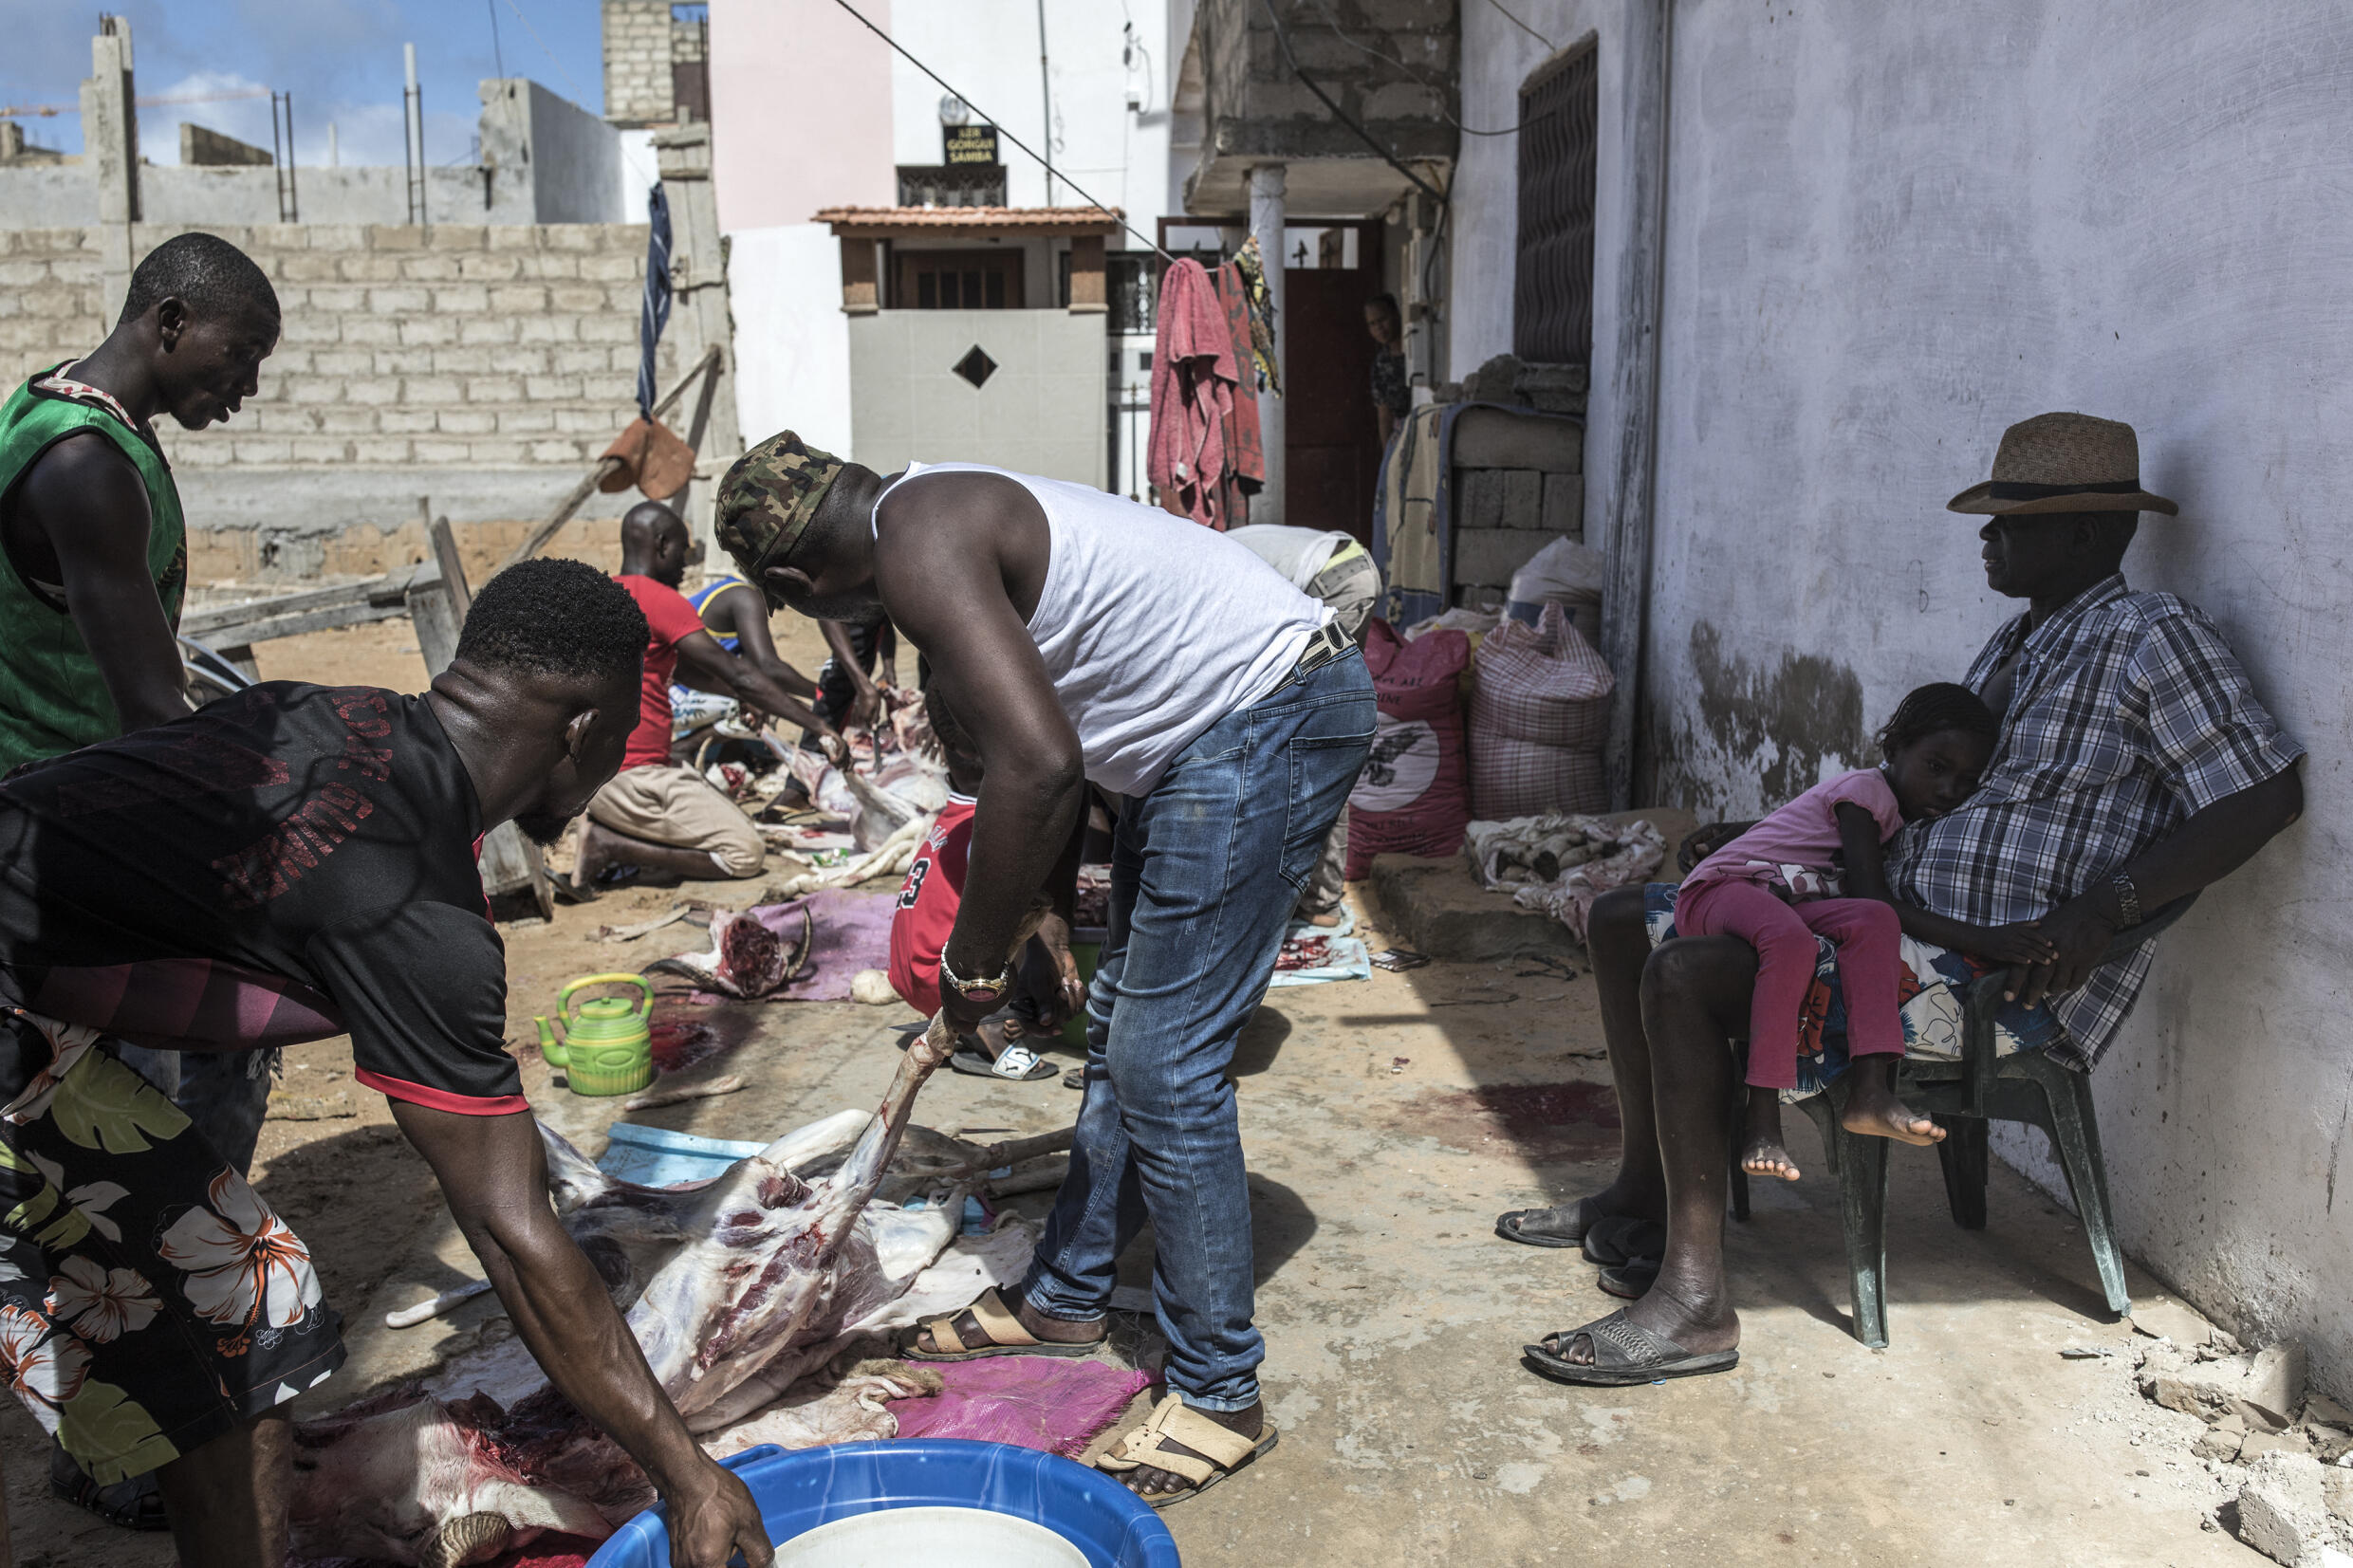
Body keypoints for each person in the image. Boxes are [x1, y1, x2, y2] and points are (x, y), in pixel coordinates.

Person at [1504, 412, 2305, 1386]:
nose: (1986, 537)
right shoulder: (2017, 644)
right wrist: (1768, 839)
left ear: (2088, 535)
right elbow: (1909, 795)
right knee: (1625, 915)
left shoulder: (2149, 637)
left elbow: (2265, 791)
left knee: (1686, 972)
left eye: (2010, 521)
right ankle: (1639, 1195)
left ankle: (1694, 1302)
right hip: (1885, 913)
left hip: (1978, 967)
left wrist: (2104, 909)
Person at [0, 559, 770, 1567]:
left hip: (33, 1008)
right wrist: (687, 1473)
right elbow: (508, 1230)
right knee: (244, 1314)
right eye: (619, 736)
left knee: (229, 1312)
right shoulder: (417, 909)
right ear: (578, 729)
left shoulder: (330, 714)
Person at [714, 432, 1374, 1504]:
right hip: (1211, 740)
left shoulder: (917, 546)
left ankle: (1217, 1393)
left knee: (1166, 1065)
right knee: (1123, 1030)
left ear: (793, 582)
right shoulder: (925, 509)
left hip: (1265, 722)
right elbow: (1048, 746)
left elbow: (1039, 764)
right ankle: (1066, 1296)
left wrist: (970, 967)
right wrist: (1043, 918)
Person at [0, 230, 286, 1530]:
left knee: (190, 1088)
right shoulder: (79, 462)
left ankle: (179, 1364)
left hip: (78, 810)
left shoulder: (102, 425)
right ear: (172, 322)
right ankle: (123, 1439)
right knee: (123, 1145)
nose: (248, 383)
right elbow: (146, 706)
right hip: (52, 841)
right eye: (242, 354)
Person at [1676, 683, 2057, 1183]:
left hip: (1784, 900)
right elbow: (1872, 889)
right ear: (1894, 748)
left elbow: (1867, 906)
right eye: (1936, 768)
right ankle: (1762, 1116)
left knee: (1875, 923)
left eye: (1967, 783)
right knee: (1800, 939)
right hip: (1723, 890)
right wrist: (1984, 940)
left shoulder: (1901, 815)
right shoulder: (1865, 795)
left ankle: (1871, 1092)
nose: (1948, 791)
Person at [570, 499, 837, 895]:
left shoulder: (599, 597)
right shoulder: (661, 600)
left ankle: (616, 836)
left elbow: (689, 671)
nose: (684, 564)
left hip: (591, 781)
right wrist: (818, 722)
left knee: (710, 802)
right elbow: (745, 672)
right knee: (746, 853)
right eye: (681, 550)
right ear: (661, 545)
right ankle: (609, 846)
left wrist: (739, 697)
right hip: (636, 781)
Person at [886, 685, 1085, 1082]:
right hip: (944, 979)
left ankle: (971, 1019)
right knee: (1021, 912)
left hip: (909, 973)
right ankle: (989, 1030)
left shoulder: (952, 814)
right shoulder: (992, 828)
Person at [1226, 524, 1383, 927]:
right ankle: (1314, 896)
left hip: (1337, 586)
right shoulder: (1221, 544)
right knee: (1314, 740)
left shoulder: (1204, 566)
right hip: (1350, 570)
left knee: (1318, 743)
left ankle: (1318, 900)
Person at [673, 568, 825, 740]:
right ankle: (685, 748)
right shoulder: (744, 597)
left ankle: (730, 754)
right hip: (678, 697)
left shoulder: (730, 589)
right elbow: (770, 667)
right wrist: (822, 695)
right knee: (771, 702)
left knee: (764, 693)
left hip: (684, 692)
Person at [1365, 293, 1411, 452]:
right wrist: (1388, 454)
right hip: (1403, 438)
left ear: (1396, 314)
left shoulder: (1415, 352)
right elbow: (1384, 414)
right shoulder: (1380, 364)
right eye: (1372, 324)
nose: (1378, 328)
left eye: (1382, 319)